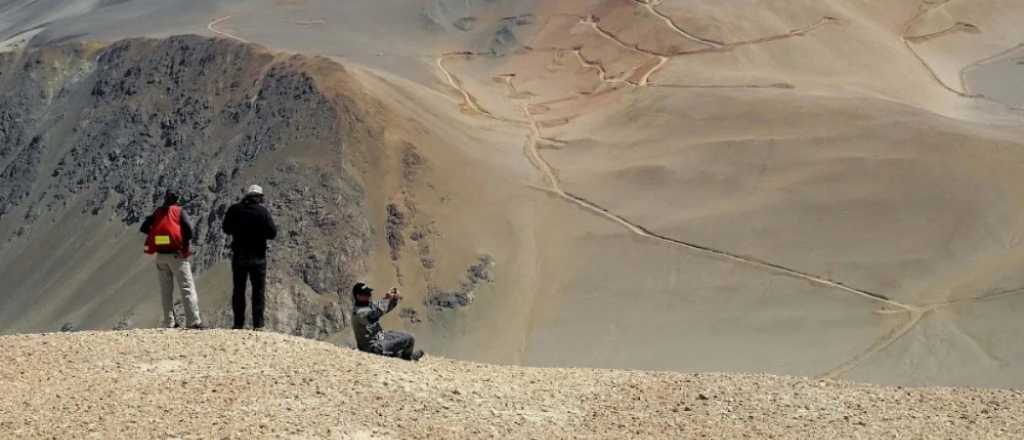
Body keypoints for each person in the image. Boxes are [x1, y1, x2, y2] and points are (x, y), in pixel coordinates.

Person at [141, 190, 204, 329]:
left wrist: (154, 234)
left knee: (166, 291)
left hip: (160, 257)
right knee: (187, 288)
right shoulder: (179, 211)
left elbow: (144, 227)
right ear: (177, 199)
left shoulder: (158, 212)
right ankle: (193, 321)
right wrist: (184, 242)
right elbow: (189, 230)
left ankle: (169, 322)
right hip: (177, 256)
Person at [222, 184, 277, 330]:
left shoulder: (234, 210)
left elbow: (226, 228)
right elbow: (272, 233)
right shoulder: (262, 212)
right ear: (258, 197)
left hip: (239, 256)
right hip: (258, 257)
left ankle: (238, 323)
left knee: (239, 290)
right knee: (258, 291)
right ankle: (258, 325)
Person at [351, 283, 424, 361]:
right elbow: (378, 312)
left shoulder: (367, 305)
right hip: (373, 346)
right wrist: (387, 299)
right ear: (358, 296)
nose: (369, 295)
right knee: (409, 339)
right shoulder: (359, 313)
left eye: (369, 293)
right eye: (366, 294)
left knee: (409, 337)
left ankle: (403, 355)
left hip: (380, 337)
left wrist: (393, 299)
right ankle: (407, 357)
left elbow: (384, 308)